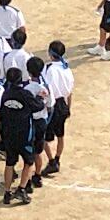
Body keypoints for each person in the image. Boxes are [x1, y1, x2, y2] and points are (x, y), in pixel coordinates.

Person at [0, 68, 45, 205]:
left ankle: (7, 192)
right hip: (24, 134)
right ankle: (21, 188)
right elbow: (38, 106)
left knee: (10, 163)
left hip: (9, 134)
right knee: (29, 161)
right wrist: (40, 97)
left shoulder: (5, 94)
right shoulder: (25, 94)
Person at [41, 41, 74, 176]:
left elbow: (48, 90)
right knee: (60, 135)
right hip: (63, 104)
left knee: (42, 136)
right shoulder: (66, 68)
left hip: (52, 105)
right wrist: (68, 107)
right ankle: (57, 158)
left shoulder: (49, 69)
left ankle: (51, 161)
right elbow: (70, 91)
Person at [24, 57, 55, 190]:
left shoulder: (27, 89)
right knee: (38, 151)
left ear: (28, 71)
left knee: (29, 152)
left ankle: (27, 180)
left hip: (30, 122)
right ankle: (37, 175)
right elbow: (50, 105)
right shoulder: (46, 87)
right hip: (42, 121)